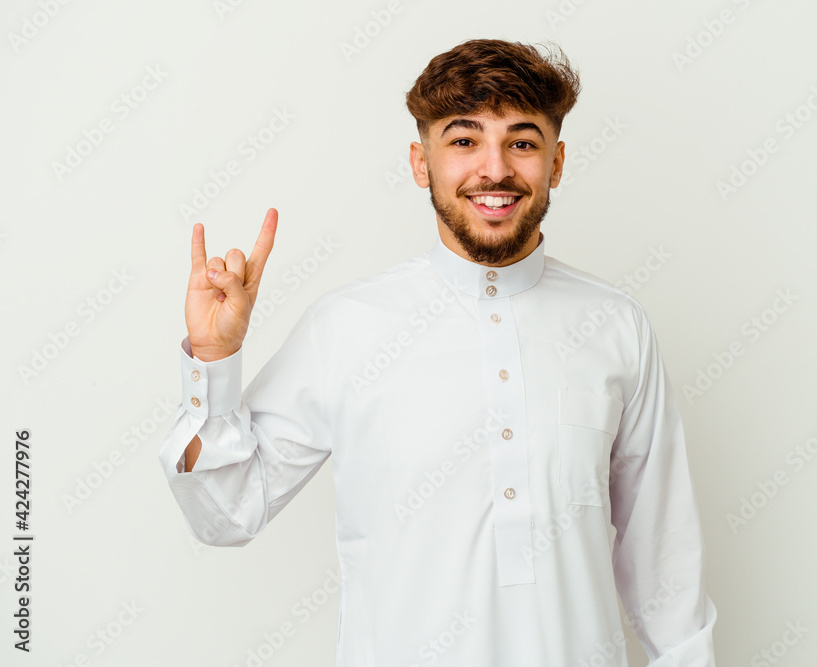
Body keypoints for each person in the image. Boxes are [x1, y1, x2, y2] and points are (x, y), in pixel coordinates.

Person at [159, 38, 717, 666]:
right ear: (421, 162)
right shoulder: (347, 327)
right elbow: (225, 516)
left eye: (522, 142)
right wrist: (212, 359)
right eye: (463, 140)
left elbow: (664, 559)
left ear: (556, 163)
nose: (495, 169)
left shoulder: (617, 327)